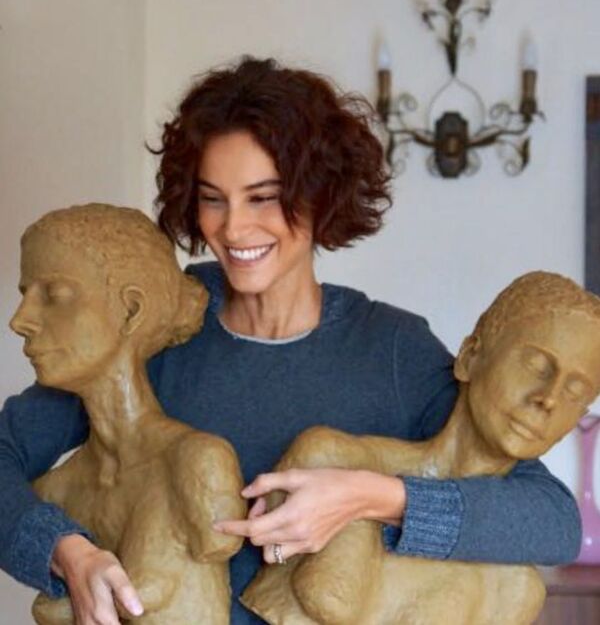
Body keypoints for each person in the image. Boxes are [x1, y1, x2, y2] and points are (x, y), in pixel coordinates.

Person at [0, 57, 582, 625]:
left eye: (263, 197)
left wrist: (373, 497)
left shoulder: (392, 349)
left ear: (320, 193)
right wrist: (62, 551)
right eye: (213, 198)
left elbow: (550, 520)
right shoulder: (157, 323)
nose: (234, 227)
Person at [238, 270, 600, 624]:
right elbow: (276, 568)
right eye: (535, 366)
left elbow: (562, 528)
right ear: (470, 356)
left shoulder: (515, 588)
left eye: (575, 392)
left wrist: (385, 502)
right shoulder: (332, 458)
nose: (548, 399)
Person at [12, 204, 245, 625]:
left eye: (54, 295)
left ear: (131, 310)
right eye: (24, 294)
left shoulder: (196, 462)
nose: (20, 321)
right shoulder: (54, 492)